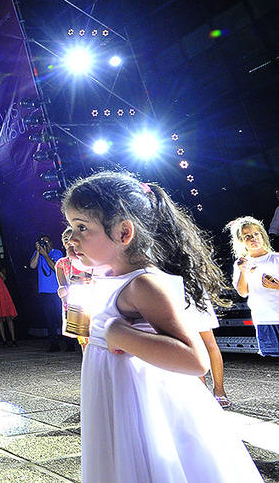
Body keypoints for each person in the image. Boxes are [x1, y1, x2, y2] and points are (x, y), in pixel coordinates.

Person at [64, 171, 261, 483]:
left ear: (123, 233)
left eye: (82, 227)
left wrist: (121, 334)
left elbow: (195, 360)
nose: (71, 238)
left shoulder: (144, 284)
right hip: (117, 394)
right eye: (70, 227)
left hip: (142, 403)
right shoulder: (113, 275)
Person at [229, 215, 279, 358]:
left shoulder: (276, 258)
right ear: (241, 241)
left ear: (262, 235)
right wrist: (244, 271)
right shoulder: (240, 263)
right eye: (247, 236)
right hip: (263, 320)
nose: (253, 238)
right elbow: (243, 292)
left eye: (256, 234)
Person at [29, 234, 68, 351]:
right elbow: (32, 265)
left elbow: (55, 267)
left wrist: (45, 255)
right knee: (50, 320)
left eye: (46, 242)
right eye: (42, 243)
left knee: (62, 318)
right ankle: (53, 344)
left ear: (51, 243)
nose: (44, 245)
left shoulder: (57, 253)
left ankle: (69, 343)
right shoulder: (39, 254)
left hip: (57, 292)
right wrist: (37, 251)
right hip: (45, 292)